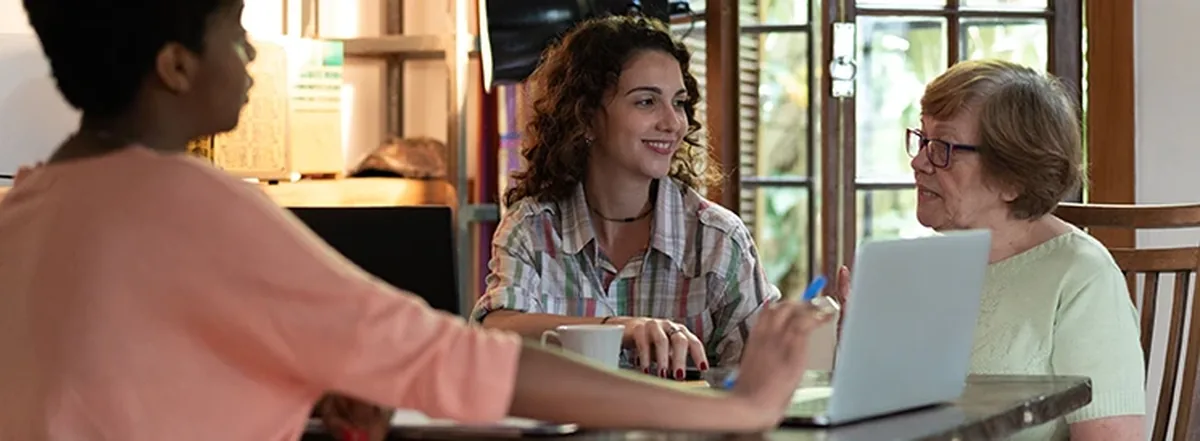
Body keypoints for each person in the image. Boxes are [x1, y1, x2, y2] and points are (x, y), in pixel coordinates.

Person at [0, 1, 834, 440]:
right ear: (176, 66)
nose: (252, 53)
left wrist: (315, 388)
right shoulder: (202, 206)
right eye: (236, 27)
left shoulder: (24, 211)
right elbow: (456, 359)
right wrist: (736, 410)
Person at [833, 59, 1144, 440]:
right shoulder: (920, 268)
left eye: (943, 148)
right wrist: (860, 364)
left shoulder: (1082, 275)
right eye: (922, 139)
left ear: (1013, 177)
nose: (918, 162)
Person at [471, 16, 779, 378]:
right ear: (586, 117)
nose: (673, 123)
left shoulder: (718, 239)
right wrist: (618, 328)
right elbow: (495, 332)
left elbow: (768, 377)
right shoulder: (533, 228)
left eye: (679, 102)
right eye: (647, 102)